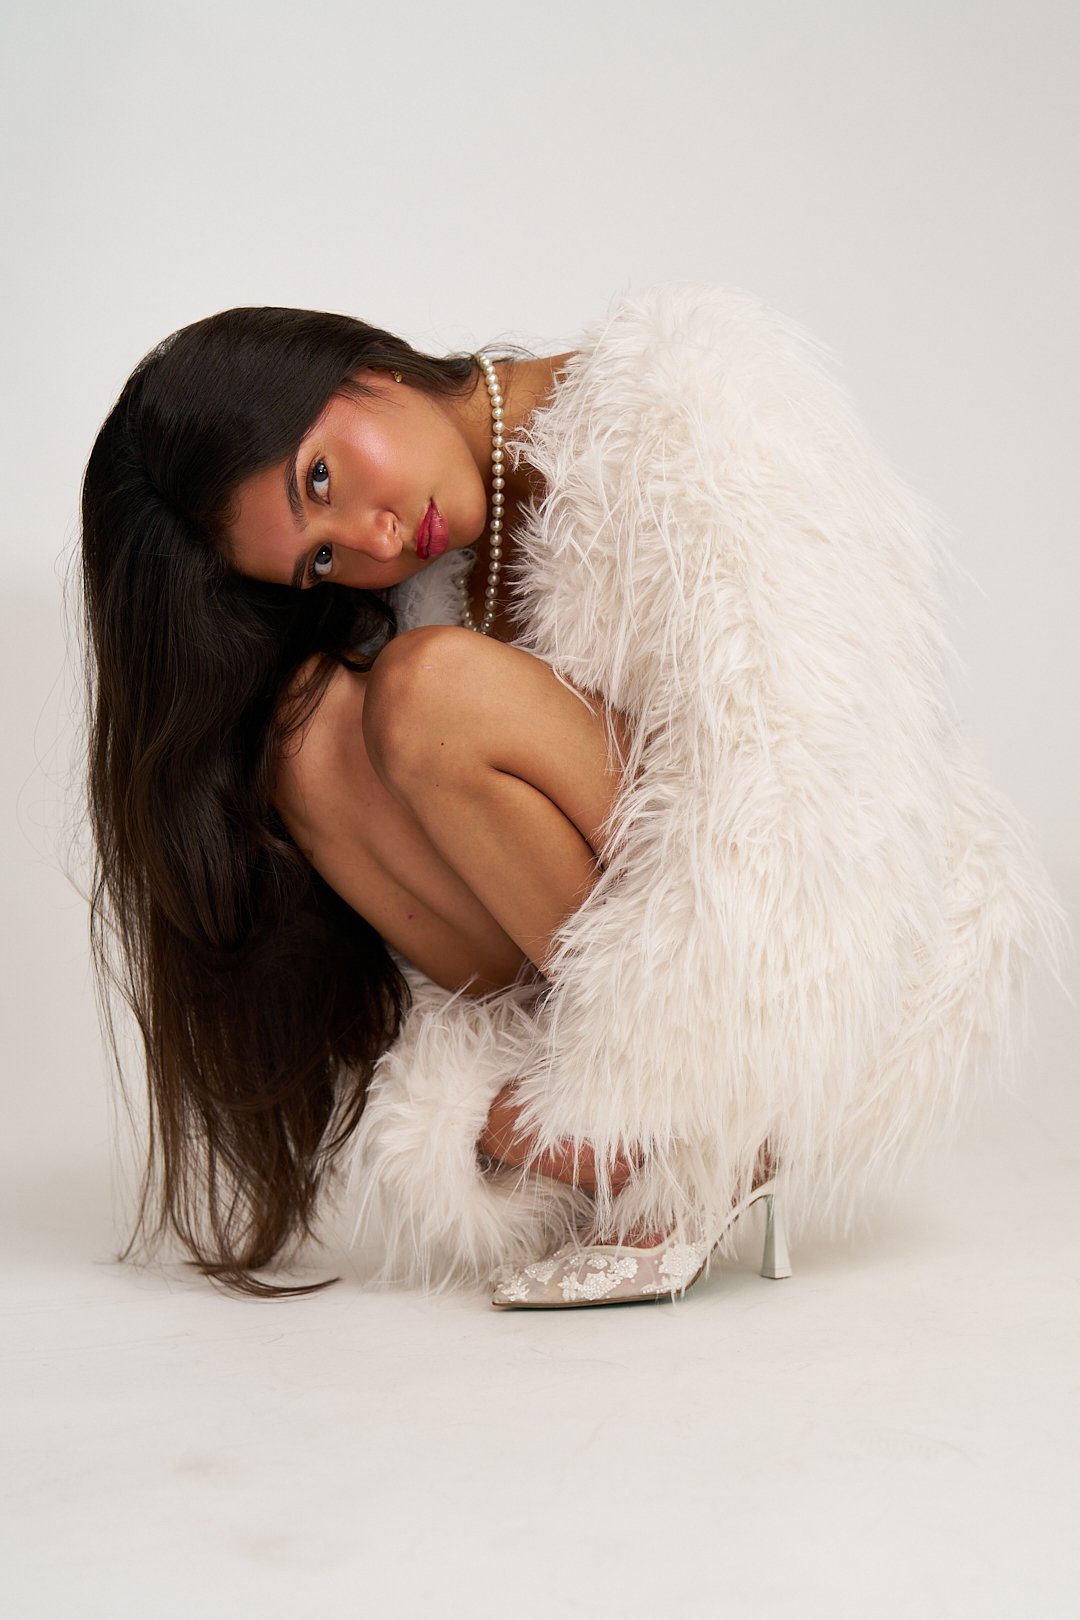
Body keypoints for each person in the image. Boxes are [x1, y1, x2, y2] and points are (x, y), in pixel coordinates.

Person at [81, 285, 1062, 1307]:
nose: (370, 541)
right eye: (319, 557)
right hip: (621, 944)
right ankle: (634, 1112)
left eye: (320, 478)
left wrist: (670, 1059)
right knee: (306, 732)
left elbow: (810, 776)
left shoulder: (695, 416)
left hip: (816, 910)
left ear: (352, 368)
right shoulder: (434, 568)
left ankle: (685, 1129)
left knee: (425, 691)